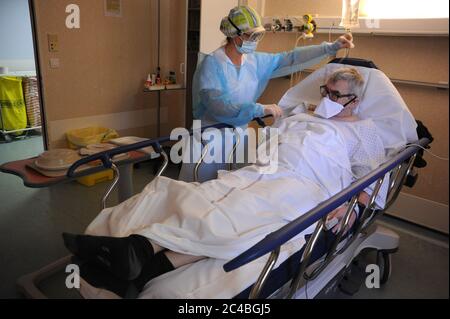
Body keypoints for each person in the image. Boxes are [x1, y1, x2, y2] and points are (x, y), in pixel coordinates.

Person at [63, 68, 389, 299]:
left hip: (306, 185)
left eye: (336, 95)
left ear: (354, 101)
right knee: (207, 196)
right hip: (262, 171)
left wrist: (349, 205)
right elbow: (272, 141)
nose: (327, 100)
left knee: (242, 213)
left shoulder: (363, 131)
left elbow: (372, 178)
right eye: (325, 92)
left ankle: (140, 251)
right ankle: (140, 257)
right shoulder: (304, 116)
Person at [178, 5, 355, 183]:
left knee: (233, 189)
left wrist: (330, 48)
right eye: (250, 36)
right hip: (211, 137)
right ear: (234, 34)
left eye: (258, 35)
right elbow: (218, 105)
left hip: (239, 136)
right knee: (201, 190)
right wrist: (257, 109)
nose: (255, 40)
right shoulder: (213, 64)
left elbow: (290, 58)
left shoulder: (254, 62)